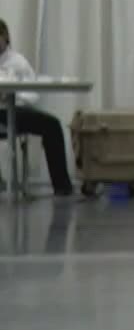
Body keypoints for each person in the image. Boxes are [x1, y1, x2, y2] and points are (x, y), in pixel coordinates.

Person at [0, 18, 75, 197]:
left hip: (16, 111)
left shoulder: (18, 62)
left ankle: (62, 186)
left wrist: (12, 96)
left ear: (5, 37)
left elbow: (32, 93)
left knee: (52, 125)